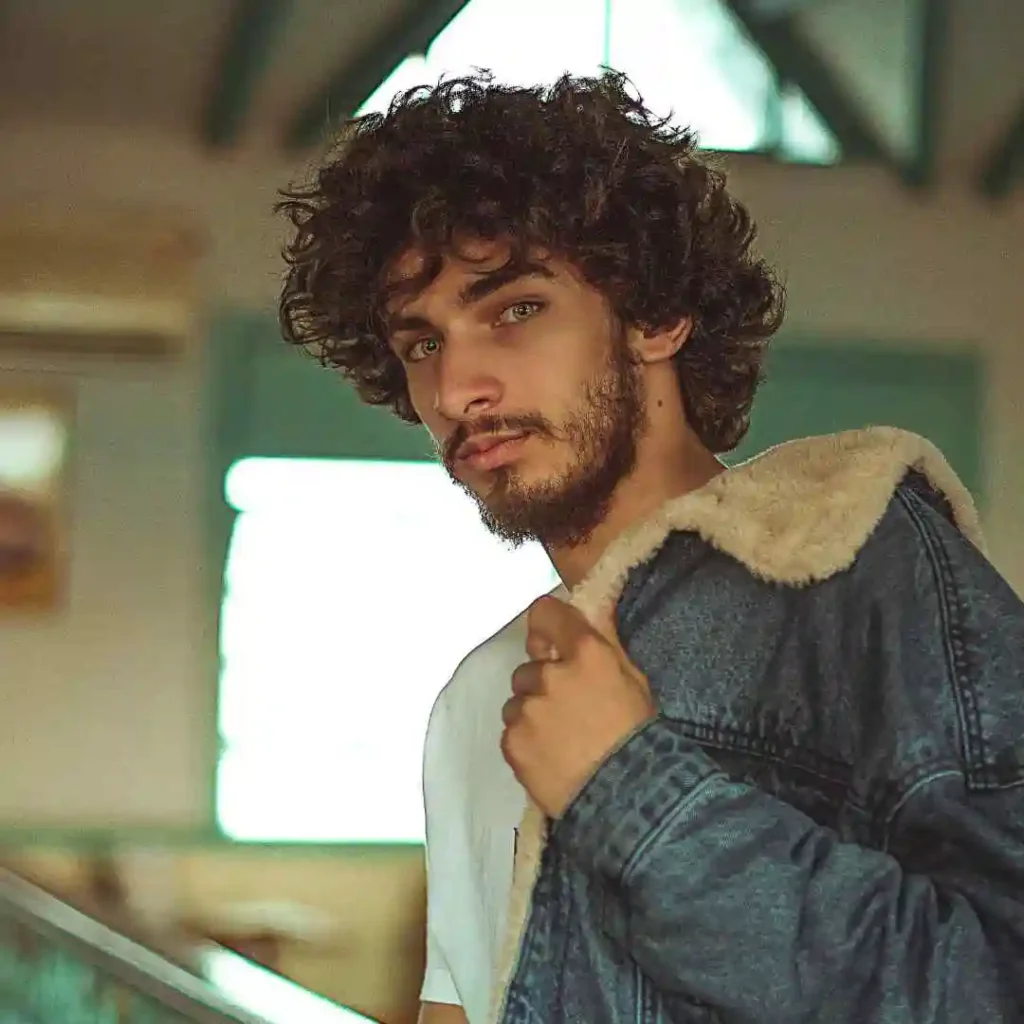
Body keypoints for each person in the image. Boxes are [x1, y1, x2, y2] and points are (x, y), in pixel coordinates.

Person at [276, 71, 1024, 1024]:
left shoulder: (855, 565)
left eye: (515, 309)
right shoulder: (479, 702)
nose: (459, 384)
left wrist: (632, 789)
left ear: (657, 316)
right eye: (422, 344)